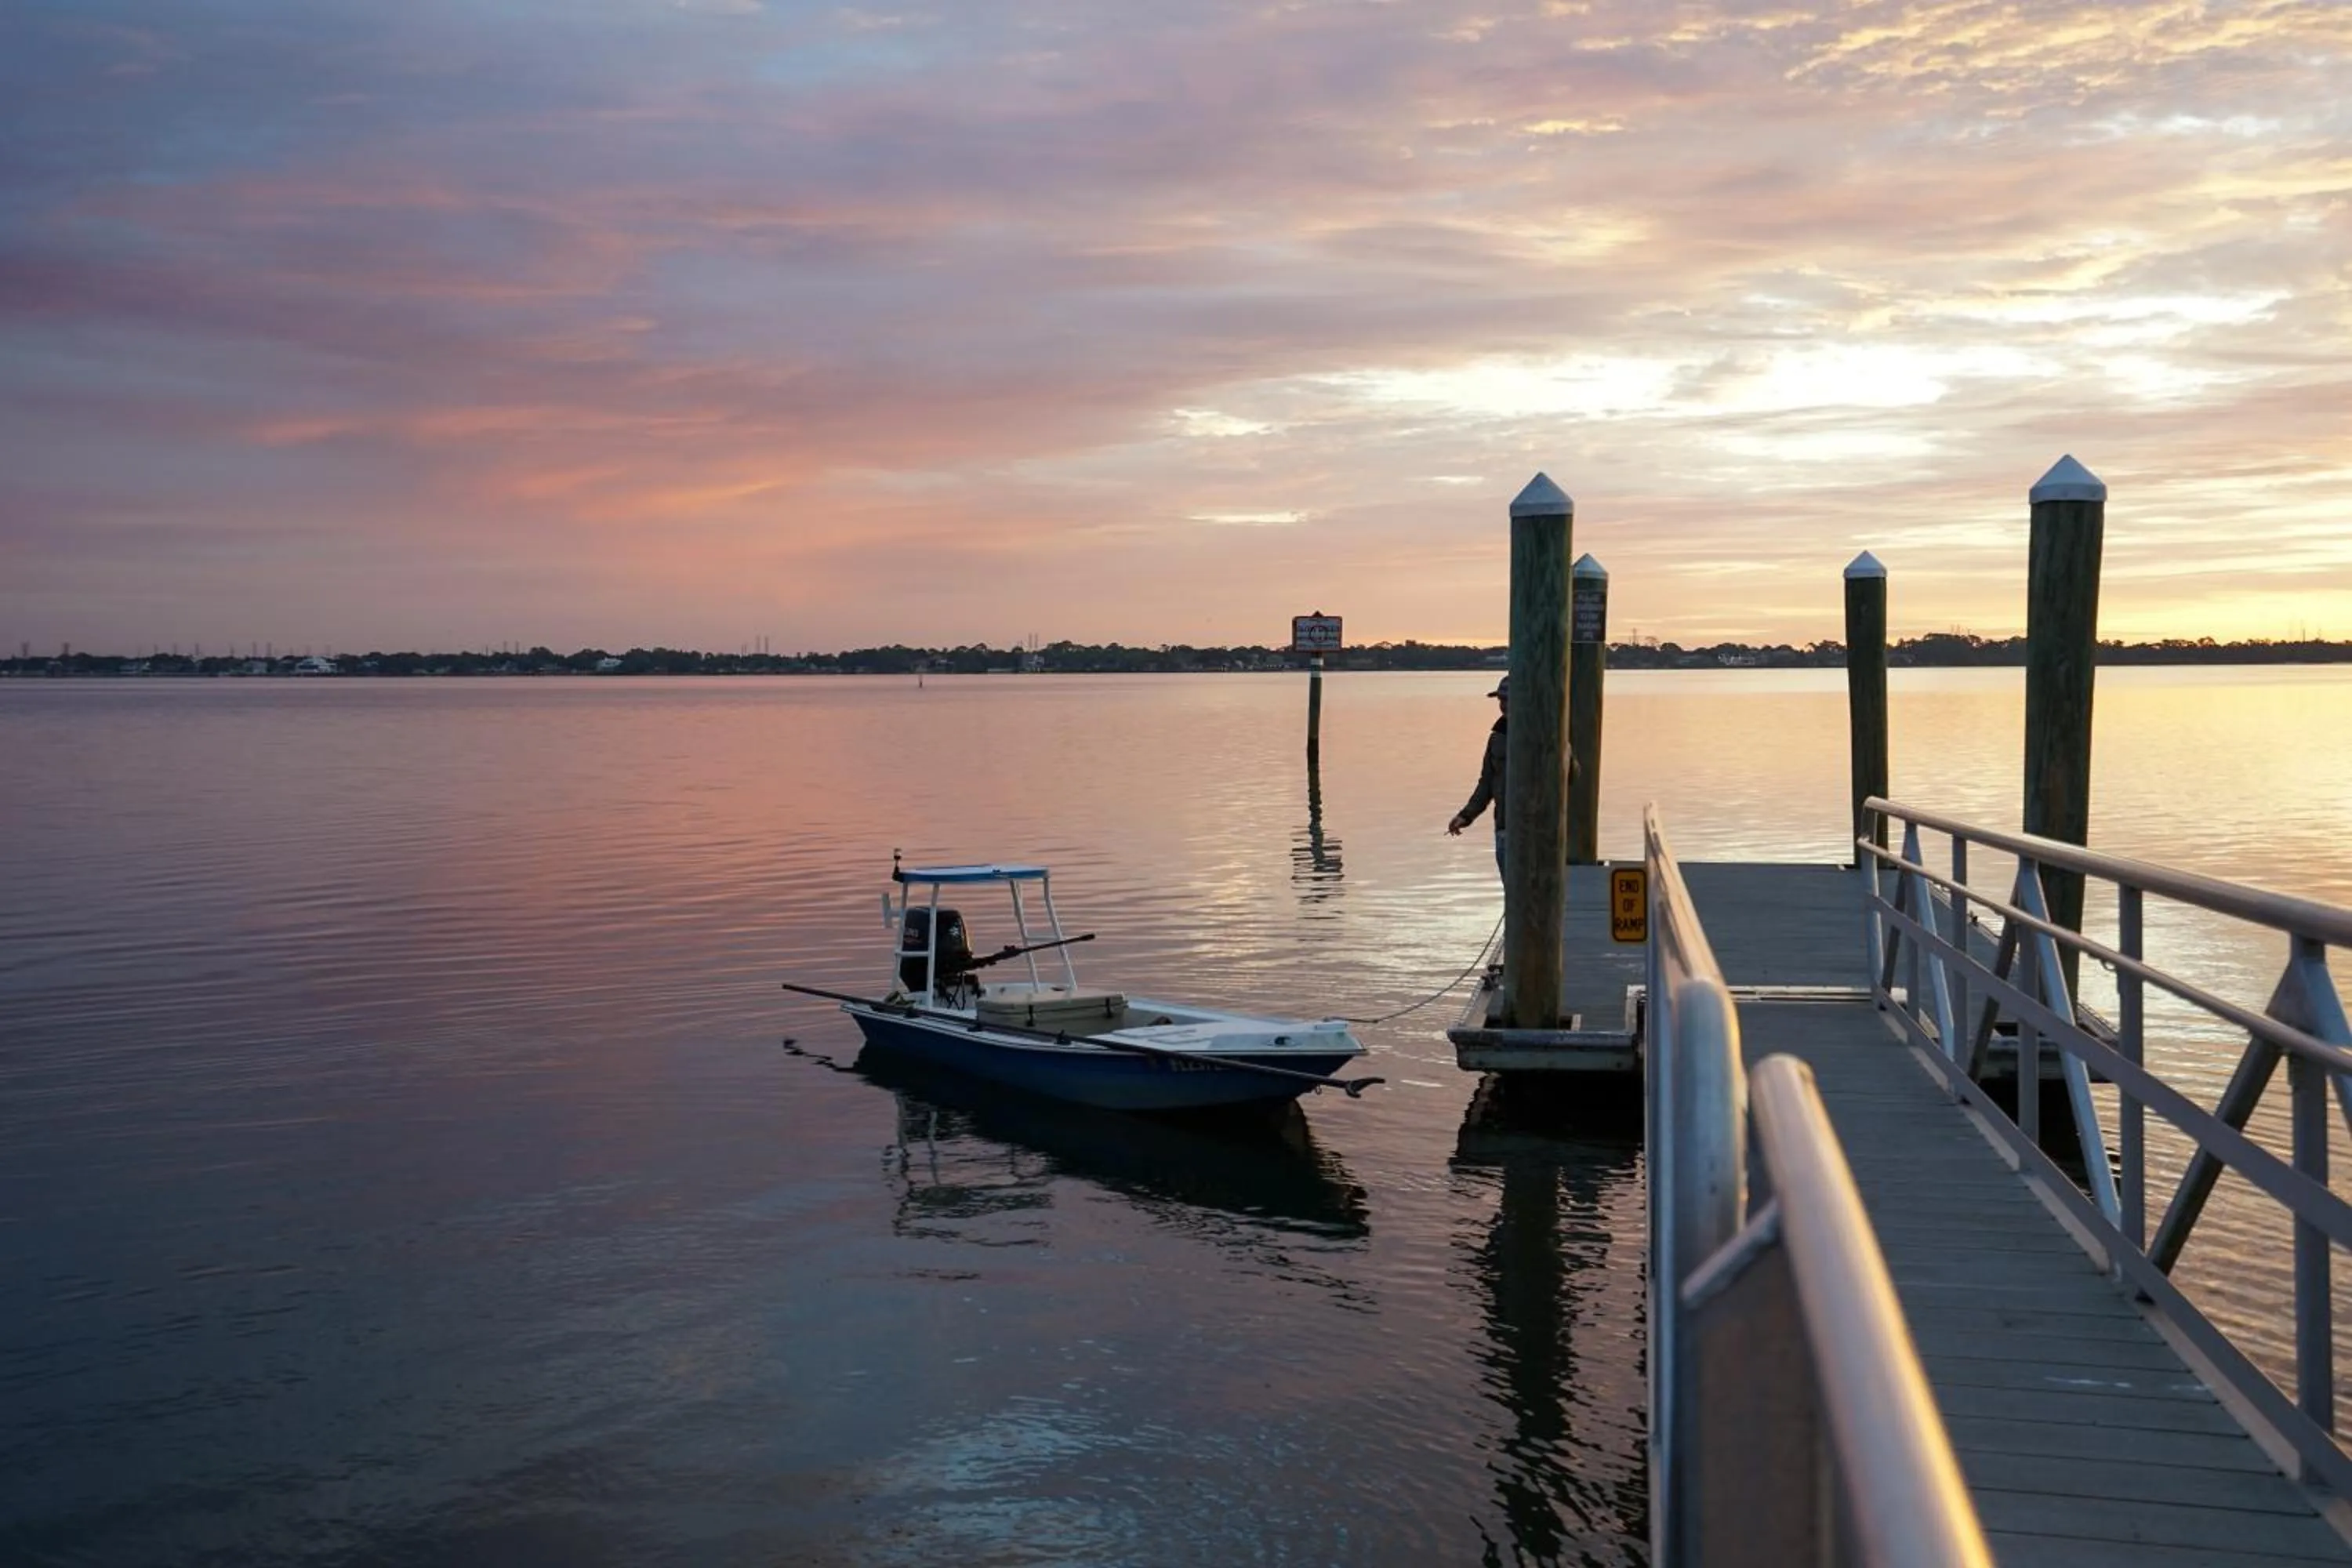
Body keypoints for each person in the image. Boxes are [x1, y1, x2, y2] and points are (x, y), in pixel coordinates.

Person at [1446, 674, 1573, 877]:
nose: (1504, 705)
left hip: (1539, 831)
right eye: (1501, 700)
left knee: (1538, 890)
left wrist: (1560, 747)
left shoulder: (1548, 735)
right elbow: (1486, 782)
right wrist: (1466, 815)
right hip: (1505, 828)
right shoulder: (1497, 738)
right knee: (1512, 893)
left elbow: (1572, 776)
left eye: (1509, 700)